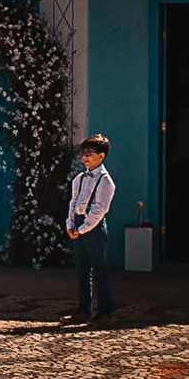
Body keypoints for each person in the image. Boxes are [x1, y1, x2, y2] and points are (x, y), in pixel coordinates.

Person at [62, 134, 116, 324]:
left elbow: (99, 209)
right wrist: (70, 224)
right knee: (82, 269)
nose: (85, 157)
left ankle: (105, 311)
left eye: (90, 154)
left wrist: (83, 228)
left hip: (92, 226)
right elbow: (73, 202)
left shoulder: (105, 181)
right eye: (83, 153)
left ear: (101, 156)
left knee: (99, 268)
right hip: (78, 224)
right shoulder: (79, 178)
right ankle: (83, 309)